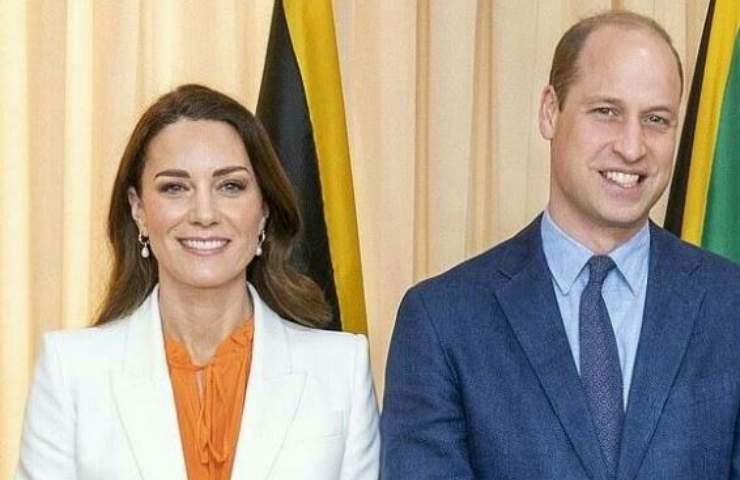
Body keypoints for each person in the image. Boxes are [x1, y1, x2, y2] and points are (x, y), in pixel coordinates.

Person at [381, 10, 740, 480]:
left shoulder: (730, 305)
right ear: (551, 111)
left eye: (656, 119)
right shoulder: (442, 321)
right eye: (606, 112)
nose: (632, 147)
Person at [17, 84, 379, 480]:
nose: (204, 214)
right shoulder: (69, 371)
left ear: (263, 209)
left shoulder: (341, 369)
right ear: (138, 209)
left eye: (230, 186)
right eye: (175, 188)